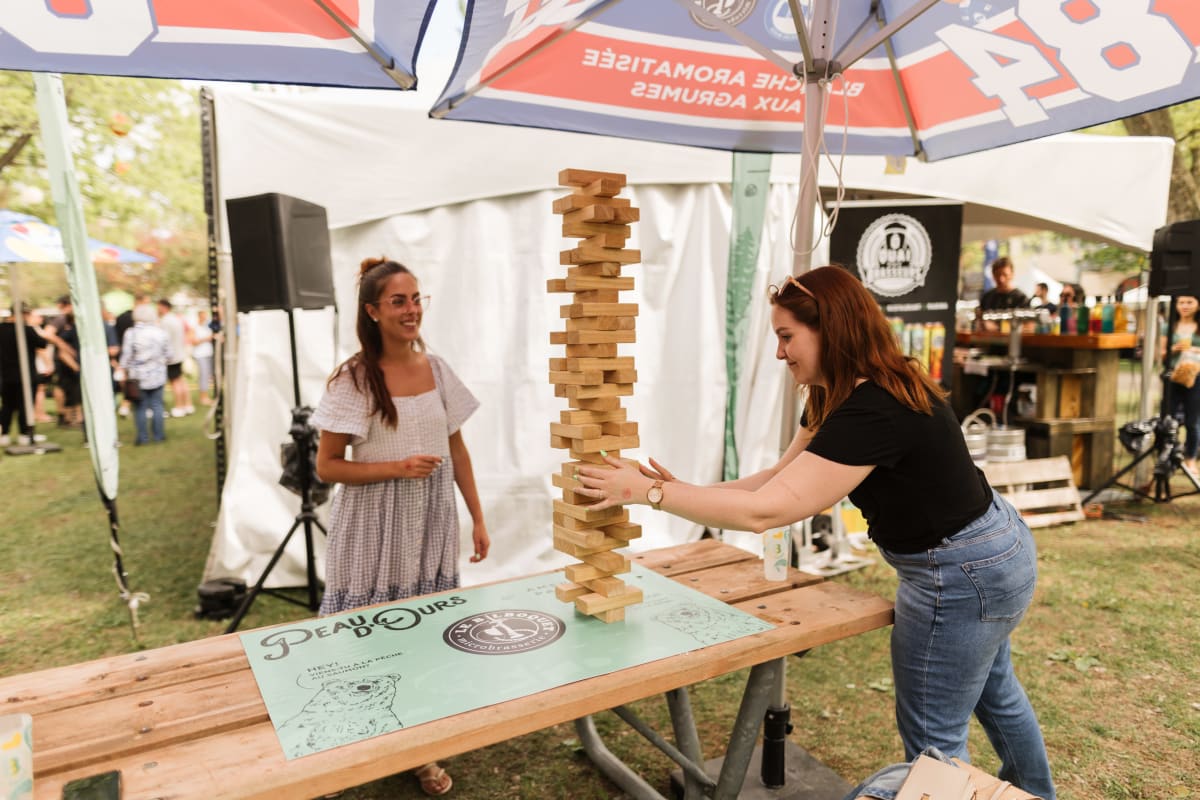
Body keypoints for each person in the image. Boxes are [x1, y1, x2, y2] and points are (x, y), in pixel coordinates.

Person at [576, 266, 1056, 800]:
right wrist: (685, 488)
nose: (780, 353)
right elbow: (777, 479)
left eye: (787, 337)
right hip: (997, 549)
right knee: (998, 695)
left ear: (833, 329)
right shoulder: (843, 391)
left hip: (960, 574)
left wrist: (649, 495)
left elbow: (769, 510)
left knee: (934, 746)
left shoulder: (873, 409)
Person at [312, 256, 489, 797]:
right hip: (373, 520)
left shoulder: (436, 368)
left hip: (431, 516)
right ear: (373, 311)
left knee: (422, 631)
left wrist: (478, 517)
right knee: (362, 632)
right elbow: (326, 466)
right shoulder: (354, 378)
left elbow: (455, 447)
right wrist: (397, 467)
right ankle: (349, 739)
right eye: (398, 301)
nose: (411, 310)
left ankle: (419, 746)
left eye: (416, 299)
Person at [120, 302, 170, 445]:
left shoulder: (131, 333)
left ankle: (143, 438)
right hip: (158, 374)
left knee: (140, 407)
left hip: (138, 376)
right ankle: (159, 435)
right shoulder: (161, 332)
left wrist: (123, 370)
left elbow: (126, 356)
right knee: (157, 405)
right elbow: (169, 354)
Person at [1161, 295, 1200, 473]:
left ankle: (1191, 458)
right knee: (1170, 420)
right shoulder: (1169, 327)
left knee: (1193, 421)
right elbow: (1161, 355)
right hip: (1173, 376)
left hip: (1196, 377)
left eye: (1189, 302)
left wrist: (1194, 350)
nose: (1184, 306)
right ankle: (1169, 457)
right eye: (1181, 302)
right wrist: (1171, 349)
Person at [44, 295, 82, 428]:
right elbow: (47, 333)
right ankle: (64, 416)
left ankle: (68, 417)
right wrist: (62, 344)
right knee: (65, 387)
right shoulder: (62, 319)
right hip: (64, 360)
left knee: (68, 388)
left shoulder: (69, 319)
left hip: (67, 359)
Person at [977, 257, 1029, 332]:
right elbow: (980, 320)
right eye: (997, 275)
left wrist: (998, 328)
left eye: (1005, 275)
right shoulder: (987, 297)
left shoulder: (1021, 298)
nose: (1001, 279)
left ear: (1012, 274)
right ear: (993, 275)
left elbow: (1027, 326)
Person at [191, 308, 216, 406]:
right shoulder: (195, 327)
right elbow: (193, 341)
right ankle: (203, 397)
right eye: (203, 315)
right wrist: (207, 338)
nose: (205, 317)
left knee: (207, 376)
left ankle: (205, 396)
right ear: (199, 316)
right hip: (200, 355)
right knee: (203, 375)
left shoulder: (208, 327)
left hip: (208, 354)